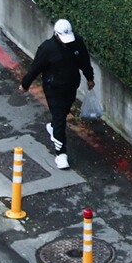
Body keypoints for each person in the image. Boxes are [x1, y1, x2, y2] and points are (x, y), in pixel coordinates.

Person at [20, 18, 94, 170]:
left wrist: (90, 77)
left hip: (71, 85)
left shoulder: (77, 43)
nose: (67, 42)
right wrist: (25, 84)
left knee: (64, 112)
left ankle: (54, 127)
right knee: (60, 117)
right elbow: (35, 68)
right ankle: (61, 153)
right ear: (56, 35)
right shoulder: (47, 49)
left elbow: (84, 61)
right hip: (53, 89)